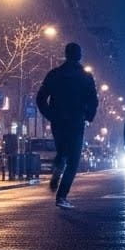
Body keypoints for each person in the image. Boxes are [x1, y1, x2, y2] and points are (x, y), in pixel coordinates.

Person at [35, 42, 98, 209]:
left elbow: (40, 98)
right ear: (79, 56)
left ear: (66, 54)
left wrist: (49, 114)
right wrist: (88, 116)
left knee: (62, 151)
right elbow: (93, 99)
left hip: (58, 120)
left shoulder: (54, 74)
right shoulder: (85, 76)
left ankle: (57, 168)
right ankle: (62, 196)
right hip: (76, 121)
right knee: (74, 160)